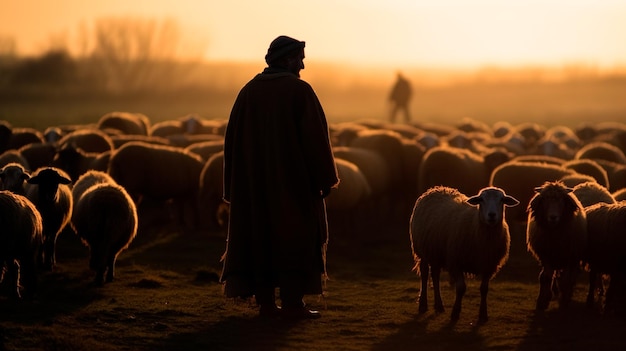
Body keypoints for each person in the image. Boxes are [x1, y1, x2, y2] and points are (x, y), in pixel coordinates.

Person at [220, 35, 340, 320]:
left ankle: (265, 304)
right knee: (295, 237)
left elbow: (231, 142)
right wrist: (324, 179)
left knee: (259, 239)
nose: (302, 66)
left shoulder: (247, 92)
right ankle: (292, 303)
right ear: (287, 60)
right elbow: (315, 139)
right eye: (299, 59)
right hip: (293, 186)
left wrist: (233, 187)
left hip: (253, 188)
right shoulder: (299, 91)